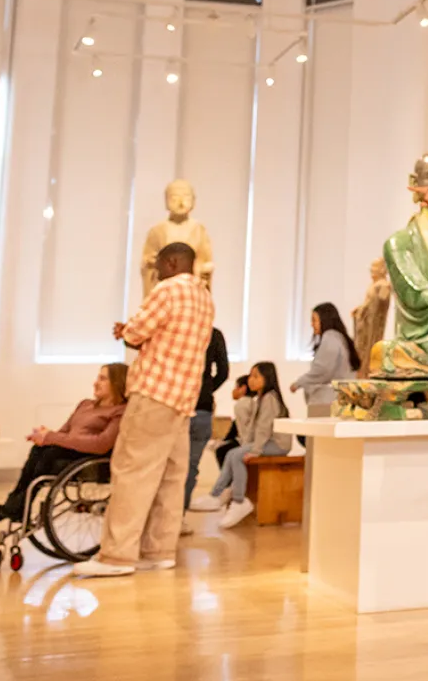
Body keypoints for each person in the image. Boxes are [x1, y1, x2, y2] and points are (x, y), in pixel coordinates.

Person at [74, 240, 216, 578]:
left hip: (154, 393)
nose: (155, 274)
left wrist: (126, 331)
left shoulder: (167, 291)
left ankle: (117, 557)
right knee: (170, 477)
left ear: (171, 263)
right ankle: (159, 551)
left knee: (132, 472)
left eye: (158, 267)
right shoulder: (205, 298)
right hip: (184, 400)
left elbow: (136, 334)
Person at [0, 363, 125, 523]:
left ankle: (16, 507)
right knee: (40, 449)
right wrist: (45, 435)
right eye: (98, 377)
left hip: (90, 459)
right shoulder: (85, 405)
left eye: (102, 379)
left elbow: (101, 444)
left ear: (117, 383)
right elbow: (63, 433)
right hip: (68, 452)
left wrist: (51, 437)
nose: (95, 383)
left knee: (49, 451)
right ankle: (16, 505)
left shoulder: (120, 412)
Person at [194, 362, 287, 528]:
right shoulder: (261, 399)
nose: (251, 380)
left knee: (236, 455)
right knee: (233, 453)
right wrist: (248, 445)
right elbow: (253, 428)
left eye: (256, 376)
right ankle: (217, 495)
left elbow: (264, 428)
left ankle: (238, 500)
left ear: (268, 378)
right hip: (267, 443)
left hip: (277, 444)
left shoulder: (270, 399)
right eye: (250, 376)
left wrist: (255, 450)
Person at [184, 324, 230, 518]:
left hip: (178, 404)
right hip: (202, 406)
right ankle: (180, 517)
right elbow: (223, 372)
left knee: (169, 466)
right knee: (191, 466)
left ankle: (164, 518)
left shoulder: (181, 329)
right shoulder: (214, 333)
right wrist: (207, 388)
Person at [292, 303, 357, 416]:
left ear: (325, 319)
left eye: (314, 320)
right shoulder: (341, 339)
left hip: (326, 402)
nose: (312, 325)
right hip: (337, 400)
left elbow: (322, 370)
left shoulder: (330, 338)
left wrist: (299, 383)